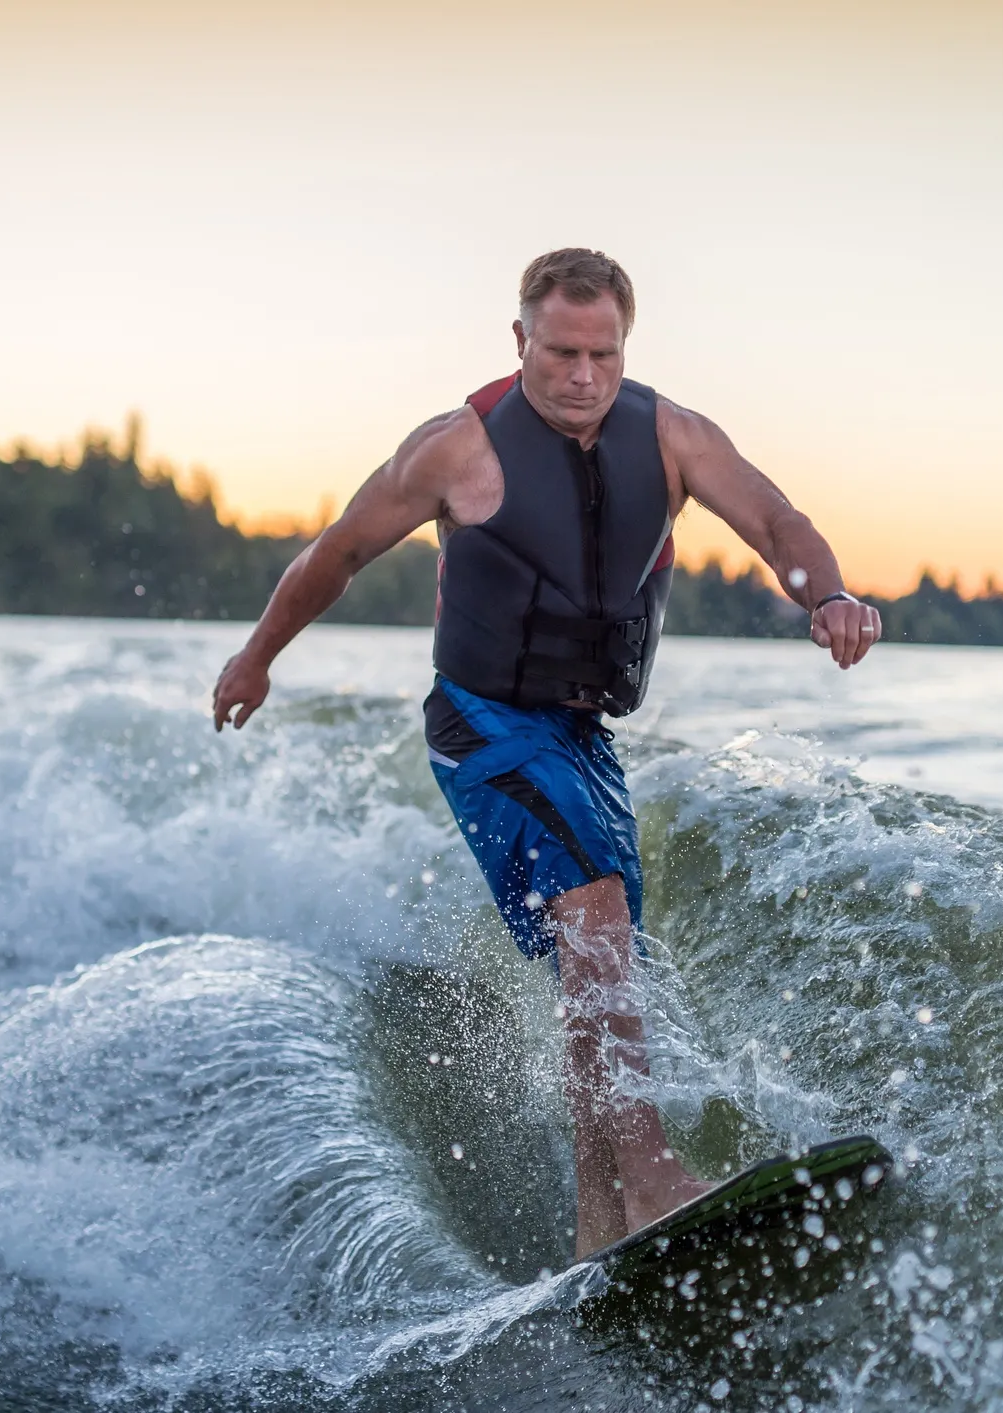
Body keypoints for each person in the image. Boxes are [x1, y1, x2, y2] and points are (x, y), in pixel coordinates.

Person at [212, 248, 881, 1260]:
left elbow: (774, 518)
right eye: (560, 351)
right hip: (482, 723)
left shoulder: (672, 438)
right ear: (519, 338)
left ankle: (596, 1225)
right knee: (596, 918)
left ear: (623, 346)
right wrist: (256, 659)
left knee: (593, 958)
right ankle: (652, 1176)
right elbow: (336, 553)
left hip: (583, 735)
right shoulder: (454, 448)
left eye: (601, 354)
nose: (581, 375)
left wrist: (823, 592)